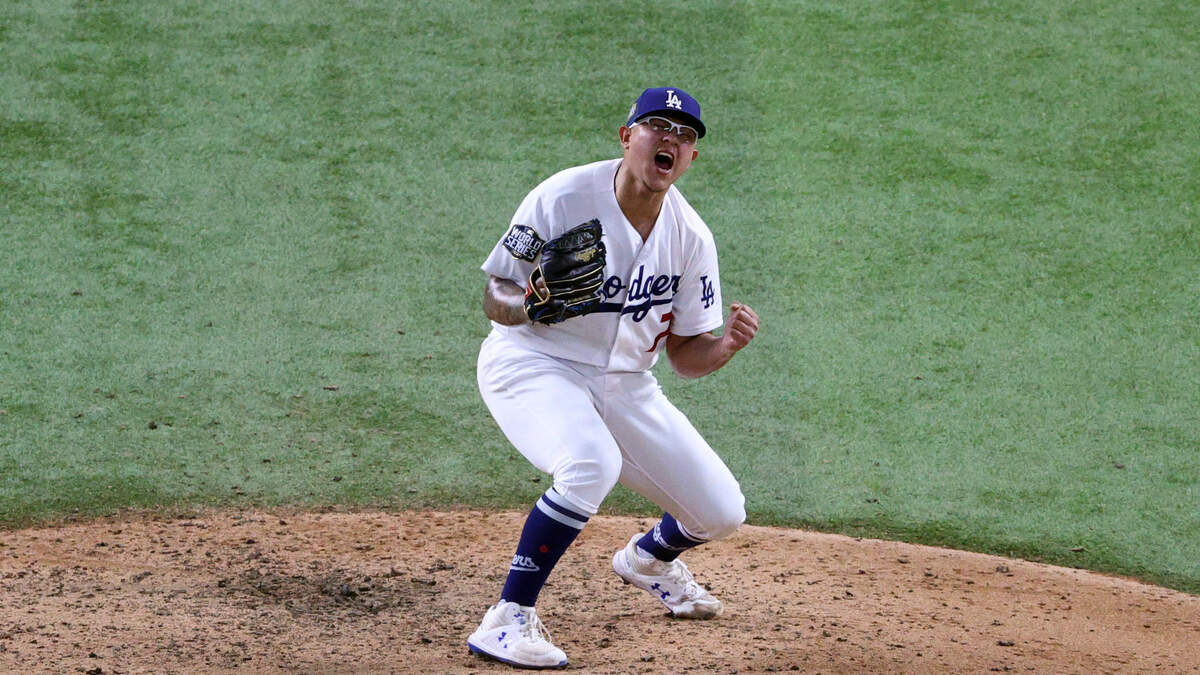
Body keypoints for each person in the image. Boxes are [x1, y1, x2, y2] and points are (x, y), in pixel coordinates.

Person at [467, 86, 760, 669]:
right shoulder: (563, 195)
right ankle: (507, 619)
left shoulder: (692, 238)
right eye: (658, 126)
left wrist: (723, 346)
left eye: (685, 135)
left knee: (721, 512)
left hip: (625, 383)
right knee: (589, 463)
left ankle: (649, 559)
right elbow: (495, 293)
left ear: (691, 159)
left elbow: (683, 355)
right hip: (533, 362)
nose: (671, 139)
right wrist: (532, 303)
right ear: (628, 137)